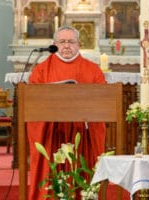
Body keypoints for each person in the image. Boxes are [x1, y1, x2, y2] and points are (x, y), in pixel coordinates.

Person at [27, 26, 106, 199]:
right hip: (51, 135)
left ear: (79, 44)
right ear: (54, 44)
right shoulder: (41, 70)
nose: (67, 46)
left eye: (71, 42)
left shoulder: (93, 70)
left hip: (81, 135)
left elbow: (102, 104)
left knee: (81, 175)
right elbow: (33, 104)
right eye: (62, 42)